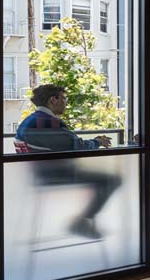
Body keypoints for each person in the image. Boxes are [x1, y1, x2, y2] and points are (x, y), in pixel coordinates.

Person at [15, 84, 120, 239]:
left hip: (40, 174)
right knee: (112, 180)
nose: (66, 103)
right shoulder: (46, 123)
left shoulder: (29, 121)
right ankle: (80, 222)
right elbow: (76, 146)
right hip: (54, 174)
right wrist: (98, 141)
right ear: (53, 100)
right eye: (64, 99)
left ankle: (82, 221)